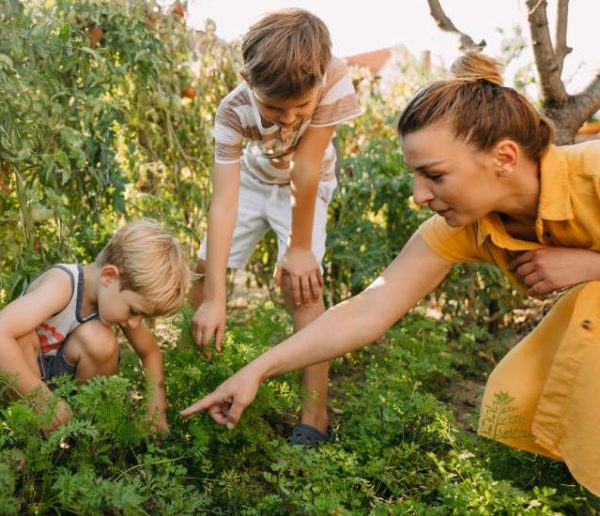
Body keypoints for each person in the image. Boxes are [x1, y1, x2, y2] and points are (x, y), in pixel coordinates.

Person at [182, 52, 600, 496]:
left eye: (434, 175)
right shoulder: (468, 227)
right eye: (415, 176)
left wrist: (591, 263)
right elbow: (369, 308)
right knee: (514, 394)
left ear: (504, 157)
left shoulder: (592, 171)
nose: (419, 196)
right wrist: (257, 370)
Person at [187, 8, 362, 446]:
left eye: (299, 108)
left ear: (320, 80)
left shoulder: (335, 77)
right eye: (272, 108)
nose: (287, 120)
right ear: (247, 80)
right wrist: (215, 297)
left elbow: (306, 166)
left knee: (302, 285)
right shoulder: (231, 112)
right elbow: (224, 201)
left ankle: (315, 414)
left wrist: (299, 249)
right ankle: (199, 373)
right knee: (202, 273)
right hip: (251, 180)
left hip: (308, 183)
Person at [0, 219, 191, 434]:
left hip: (63, 390)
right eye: (135, 312)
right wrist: (42, 399)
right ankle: (30, 438)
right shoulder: (62, 286)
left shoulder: (117, 297)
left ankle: (83, 435)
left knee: (100, 340)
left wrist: (156, 410)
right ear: (109, 276)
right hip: (28, 386)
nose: (134, 322)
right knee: (20, 336)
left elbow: (150, 351)